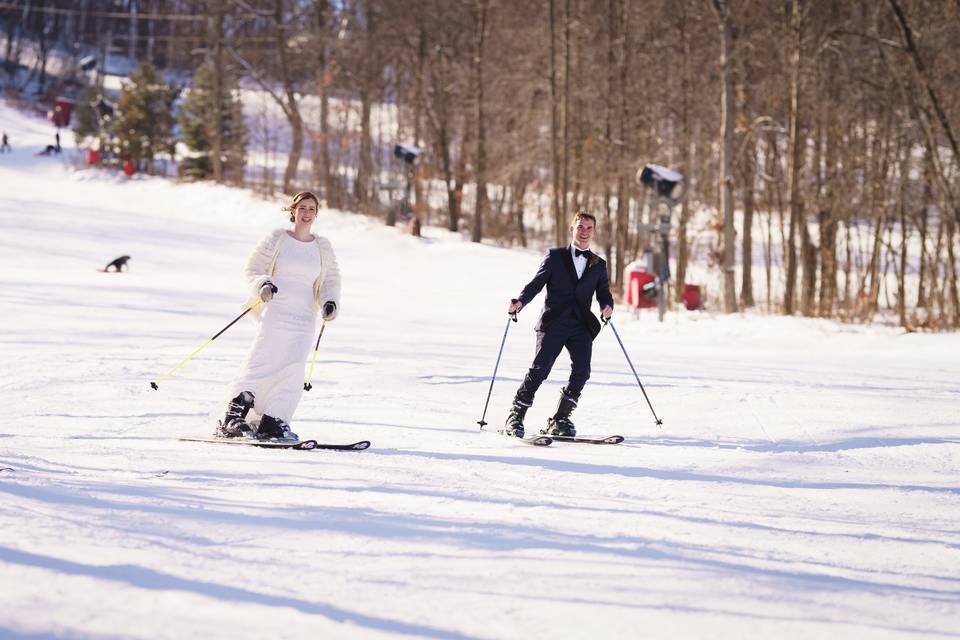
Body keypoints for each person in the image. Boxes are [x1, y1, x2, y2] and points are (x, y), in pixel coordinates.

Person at [218, 191, 341, 441]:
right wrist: (263, 284)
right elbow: (253, 268)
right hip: (276, 311)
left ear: (316, 214)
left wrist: (330, 302)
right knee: (262, 360)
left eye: (311, 209)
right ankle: (235, 414)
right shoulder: (277, 239)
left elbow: (330, 279)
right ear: (293, 211)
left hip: (305, 316)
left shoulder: (322, 247)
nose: (306, 214)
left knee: (294, 368)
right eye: (302, 208)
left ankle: (274, 419)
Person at [504, 211, 613, 438]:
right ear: (571, 229)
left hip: (580, 324)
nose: (584, 232)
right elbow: (536, 284)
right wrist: (520, 301)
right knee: (540, 370)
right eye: (580, 227)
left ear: (594, 231)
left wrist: (606, 306)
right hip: (554, 322)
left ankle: (560, 419)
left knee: (582, 371)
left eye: (588, 228)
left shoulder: (598, 264)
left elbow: (604, 293)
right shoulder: (555, 257)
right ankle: (516, 416)